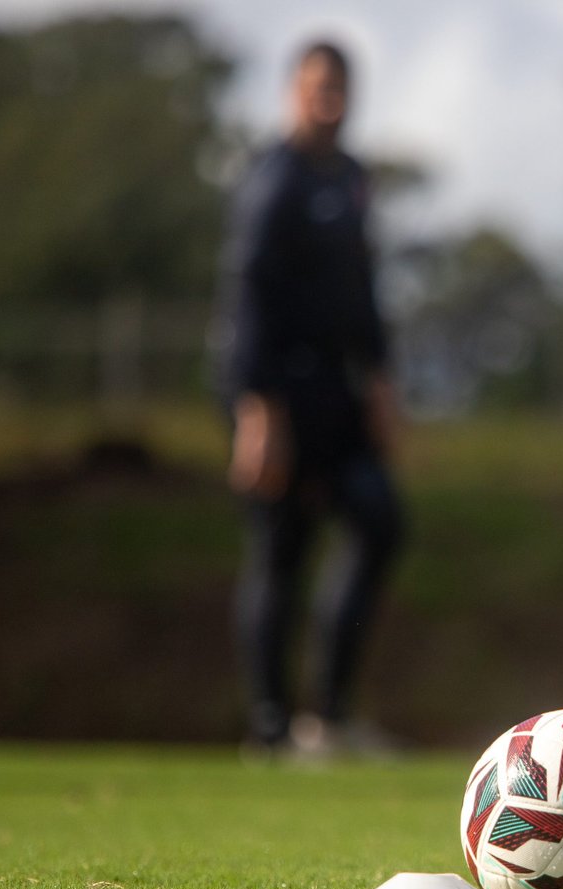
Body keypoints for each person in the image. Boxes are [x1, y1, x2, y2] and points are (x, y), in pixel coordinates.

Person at [213, 40, 403, 757]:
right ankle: (269, 727)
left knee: (379, 521)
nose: (330, 99)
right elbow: (248, 297)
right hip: (275, 392)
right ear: (293, 90)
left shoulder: (352, 177)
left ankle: (330, 716)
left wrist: (381, 377)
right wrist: (256, 410)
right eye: (317, 86)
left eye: (341, 87)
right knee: (281, 551)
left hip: (338, 391)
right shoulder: (274, 180)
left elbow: (362, 289)